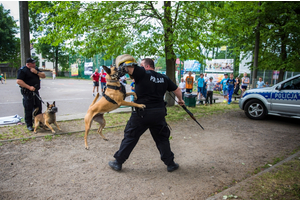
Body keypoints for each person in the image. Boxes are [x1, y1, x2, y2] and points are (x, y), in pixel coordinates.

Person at [109, 55, 184, 172]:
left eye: (141, 65)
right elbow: (177, 90)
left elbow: (128, 67)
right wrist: (180, 100)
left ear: (147, 66)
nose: (139, 67)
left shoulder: (142, 73)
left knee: (131, 137)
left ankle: (118, 162)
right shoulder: (164, 77)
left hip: (142, 113)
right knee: (162, 139)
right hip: (159, 113)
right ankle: (170, 164)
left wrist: (120, 66)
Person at [16, 58, 46, 131]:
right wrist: (29, 87)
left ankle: (40, 123)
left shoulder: (35, 69)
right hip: (27, 92)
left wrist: (36, 72)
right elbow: (19, 81)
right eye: (32, 63)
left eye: (34, 63)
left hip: (35, 92)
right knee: (28, 109)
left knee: (38, 107)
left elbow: (43, 75)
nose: (34, 64)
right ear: (28, 64)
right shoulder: (23, 70)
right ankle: (29, 125)